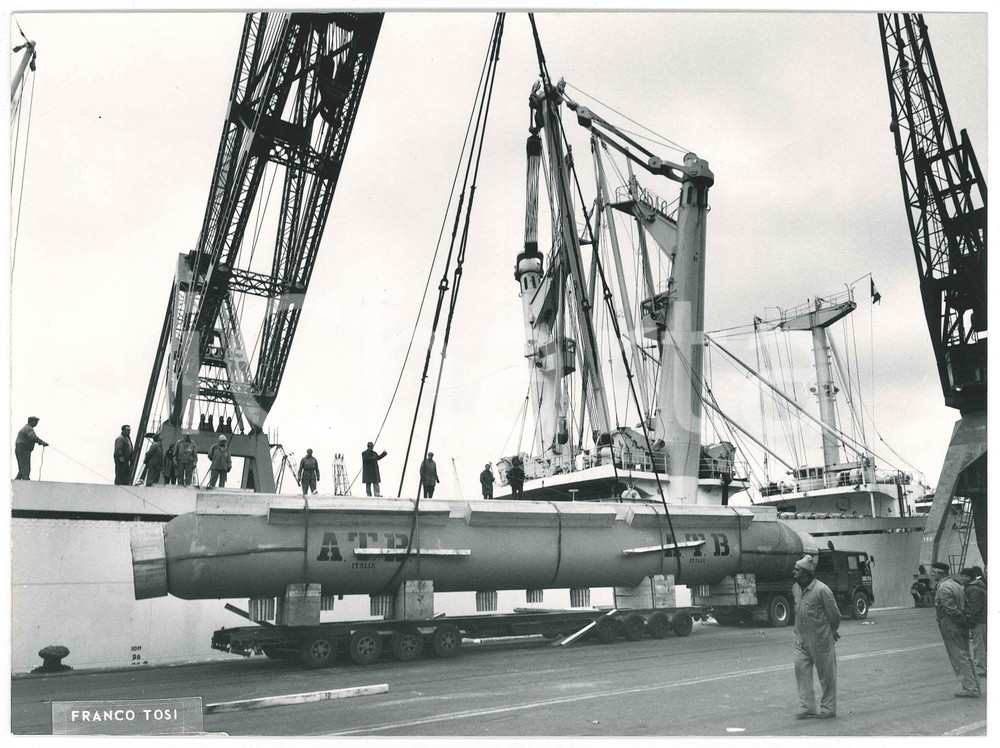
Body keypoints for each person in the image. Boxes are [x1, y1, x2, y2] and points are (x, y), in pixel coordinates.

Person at [791, 554, 840, 719]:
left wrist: (831, 630)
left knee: (827, 676)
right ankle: (808, 708)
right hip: (801, 640)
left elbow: (834, 615)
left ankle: (828, 709)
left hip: (821, 641)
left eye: (797, 570)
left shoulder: (822, 590)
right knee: (800, 670)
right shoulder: (795, 589)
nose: (794, 572)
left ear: (805, 573)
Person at [930, 562, 979, 697]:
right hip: (960, 624)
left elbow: (951, 610)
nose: (932, 575)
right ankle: (975, 685)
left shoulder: (943, 588)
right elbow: (966, 605)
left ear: (941, 574)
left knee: (958, 657)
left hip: (951, 625)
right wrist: (965, 622)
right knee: (966, 656)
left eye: (934, 572)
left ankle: (969, 688)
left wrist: (961, 622)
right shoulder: (956, 585)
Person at [962, 565, 987, 679]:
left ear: (968, 577)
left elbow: (975, 607)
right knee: (984, 644)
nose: (960, 578)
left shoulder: (972, 589)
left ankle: (981, 668)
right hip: (983, 620)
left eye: (962, 576)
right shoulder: (979, 586)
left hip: (978, 621)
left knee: (978, 645)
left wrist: (970, 621)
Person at [14, 416, 48, 480]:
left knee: (22, 467)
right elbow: (33, 437)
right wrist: (42, 442)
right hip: (23, 449)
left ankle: (17, 481)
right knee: (26, 466)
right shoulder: (28, 428)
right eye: (35, 422)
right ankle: (26, 480)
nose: (36, 424)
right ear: (31, 421)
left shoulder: (26, 428)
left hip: (20, 448)